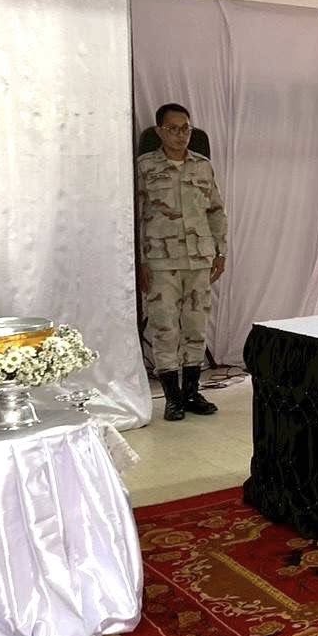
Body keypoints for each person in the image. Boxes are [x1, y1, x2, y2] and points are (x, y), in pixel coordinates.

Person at [136, 103, 227, 422]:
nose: (181, 135)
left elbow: (215, 211)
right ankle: (172, 398)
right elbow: (135, 216)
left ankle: (191, 391)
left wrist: (220, 251)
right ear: (159, 131)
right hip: (160, 261)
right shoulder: (145, 167)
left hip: (199, 258)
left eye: (186, 128)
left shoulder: (202, 166)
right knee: (165, 328)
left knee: (196, 326)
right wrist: (140, 262)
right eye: (173, 129)